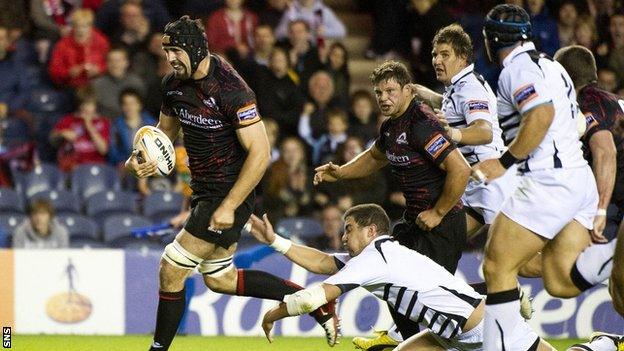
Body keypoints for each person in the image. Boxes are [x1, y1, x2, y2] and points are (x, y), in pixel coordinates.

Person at [123, 17, 338, 351]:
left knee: (170, 267)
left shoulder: (231, 89)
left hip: (229, 192)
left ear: (195, 49)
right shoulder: (172, 84)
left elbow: (261, 153)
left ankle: (157, 349)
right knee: (220, 279)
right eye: (167, 52)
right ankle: (314, 300)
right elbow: (162, 134)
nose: (171, 59)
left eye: (176, 51)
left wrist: (228, 206)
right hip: (203, 191)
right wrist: (139, 159)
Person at [315, 60, 471, 341]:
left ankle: (499, 297)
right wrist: (340, 173)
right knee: (392, 281)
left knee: (436, 297)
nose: (384, 98)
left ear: (408, 90)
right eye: (378, 93)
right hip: (414, 222)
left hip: (442, 225)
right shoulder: (391, 127)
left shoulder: (421, 124)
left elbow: (460, 169)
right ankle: (404, 340)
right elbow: (374, 157)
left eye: (390, 91)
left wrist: (438, 211)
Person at [473, 5, 598, 350]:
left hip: (548, 182)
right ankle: (615, 257)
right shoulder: (551, 65)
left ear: (491, 39)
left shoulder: (516, 69)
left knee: (496, 264)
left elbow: (540, 115)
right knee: (560, 279)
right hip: (577, 179)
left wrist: (504, 162)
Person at [248, 203, 487, 351]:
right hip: (452, 333)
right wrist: (274, 241)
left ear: (370, 231)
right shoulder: (382, 254)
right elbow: (322, 261)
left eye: (349, 229)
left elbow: (309, 300)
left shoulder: (373, 259)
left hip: (480, 329)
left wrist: (271, 315)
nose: (343, 237)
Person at [410, 24, 514, 239]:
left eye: (444, 55)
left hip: (490, 182)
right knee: (443, 243)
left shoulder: (470, 88)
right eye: (434, 55)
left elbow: (484, 132)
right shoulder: (458, 86)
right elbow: (453, 107)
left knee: (517, 263)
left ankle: (575, 270)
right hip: (473, 182)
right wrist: (426, 94)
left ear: (462, 57)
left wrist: (452, 134)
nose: (437, 61)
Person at [50, 86, 110, 172]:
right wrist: (62, 134)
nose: (86, 108)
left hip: (96, 167)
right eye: (83, 104)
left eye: (89, 104)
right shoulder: (68, 120)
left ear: (95, 105)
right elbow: (52, 139)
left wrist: (89, 126)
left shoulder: (103, 122)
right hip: (72, 168)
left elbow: (103, 150)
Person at [48, 8, 109, 88]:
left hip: (97, 84)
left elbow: (110, 63)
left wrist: (99, 70)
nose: (80, 30)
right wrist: (69, 72)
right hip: (71, 86)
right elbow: (54, 71)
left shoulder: (101, 41)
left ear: (91, 26)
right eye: (77, 26)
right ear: (73, 26)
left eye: (84, 26)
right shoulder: (63, 44)